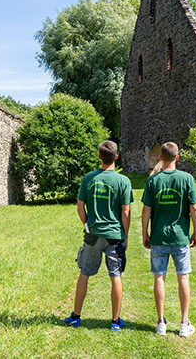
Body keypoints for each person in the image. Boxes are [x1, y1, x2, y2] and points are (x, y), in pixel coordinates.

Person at [64, 140, 133, 332]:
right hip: (114, 236)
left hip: (93, 235)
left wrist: (87, 225)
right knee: (115, 275)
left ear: (99, 157)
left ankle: (76, 317)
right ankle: (115, 321)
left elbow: (80, 207)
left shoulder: (89, 178)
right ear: (116, 157)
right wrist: (125, 236)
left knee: (84, 273)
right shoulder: (123, 181)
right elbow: (125, 212)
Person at [142, 142, 196, 337]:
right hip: (180, 237)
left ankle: (161, 323)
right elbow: (194, 208)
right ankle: (184, 323)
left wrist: (145, 233)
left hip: (158, 237)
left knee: (159, 276)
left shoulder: (153, 181)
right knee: (183, 276)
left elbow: (146, 210)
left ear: (161, 158)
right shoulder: (187, 179)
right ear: (177, 157)